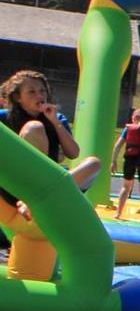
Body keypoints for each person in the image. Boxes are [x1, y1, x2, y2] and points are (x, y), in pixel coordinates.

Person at [1, 70, 103, 218]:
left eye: (42, 91)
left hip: (50, 185)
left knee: (94, 163)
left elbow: (73, 153)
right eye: (31, 92)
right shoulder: (4, 117)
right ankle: (34, 197)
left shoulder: (57, 118)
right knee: (35, 127)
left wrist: (55, 122)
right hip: (18, 188)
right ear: (18, 97)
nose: (39, 96)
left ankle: (40, 198)